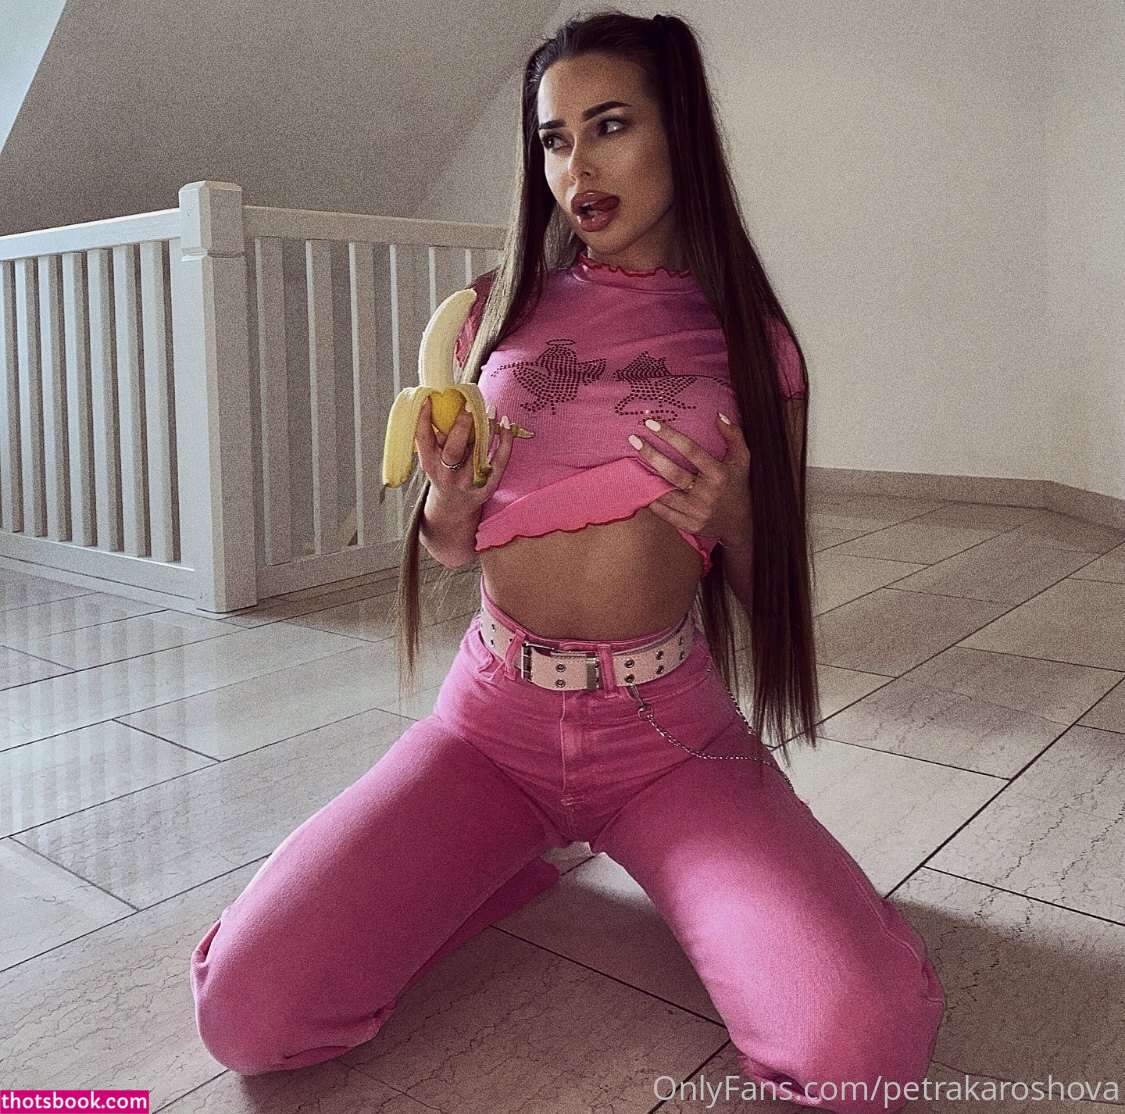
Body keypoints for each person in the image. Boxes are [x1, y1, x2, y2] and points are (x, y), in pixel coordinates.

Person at [189, 12, 945, 1111]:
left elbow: (764, 590)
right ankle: (506, 858)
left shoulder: (751, 342)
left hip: (666, 738)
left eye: (609, 126)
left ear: (678, 131)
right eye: (553, 139)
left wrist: (738, 515)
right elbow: (453, 541)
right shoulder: (496, 314)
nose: (576, 169)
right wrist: (448, 503)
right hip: (488, 724)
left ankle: (625, 868)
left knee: (858, 1052)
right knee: (248, 1014)